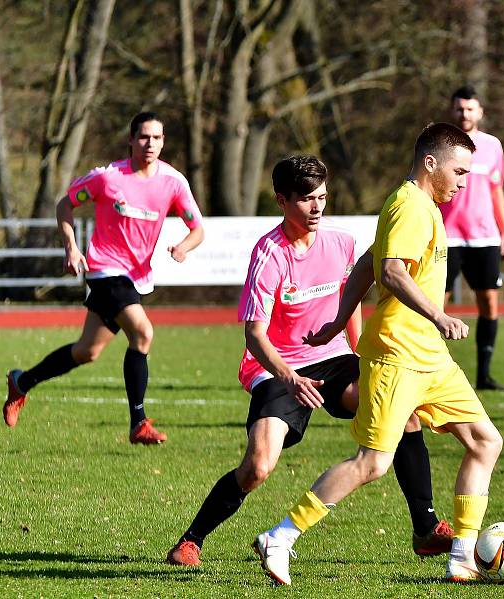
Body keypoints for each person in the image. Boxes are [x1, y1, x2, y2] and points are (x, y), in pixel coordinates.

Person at [165, 156, 452, 567]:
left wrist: (357, 352)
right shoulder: (269, 254)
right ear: (282, 201)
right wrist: (290, 378)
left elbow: (348, 301)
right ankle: (191, 540)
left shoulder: (339, 242)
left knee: (403, 413)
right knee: (258, 467)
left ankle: (425, 529)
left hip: (334, 358)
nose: (317, 208)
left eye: (322, 197)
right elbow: (255, 335)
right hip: (275, 368)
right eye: (306, 200)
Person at [252, 124, 504, 585]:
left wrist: (335, 320)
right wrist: (437, 315)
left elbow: (367, 263)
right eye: (459, 171)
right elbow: (390, 272)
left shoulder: (420, 205)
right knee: (373, 463)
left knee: (486, 442)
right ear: (431, 163)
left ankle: (463, 555)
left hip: (431, 360)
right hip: (398, 356)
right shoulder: (410, 206)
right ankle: (281, 537)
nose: (464, 181)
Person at [3, 112, 204, 444]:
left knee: (87, 352)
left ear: (163, 141)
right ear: (131, 139)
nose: (150, 143)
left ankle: (21, 382)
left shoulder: (173, 182)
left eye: (156, 138)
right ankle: (138, 423)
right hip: (105, 269)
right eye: (143, 137)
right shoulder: (107, 178)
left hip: (136, 276)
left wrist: (183, 247)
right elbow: (64, 206)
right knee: (142, 333)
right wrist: (71, 248)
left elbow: (197, 229)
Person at [440, 85, 504, 391]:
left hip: (484, 237)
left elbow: (496, 190)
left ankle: (484, 375)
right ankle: (433, 374)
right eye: (459, 108)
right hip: (447, 237)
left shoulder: (493, 146)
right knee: (435, 306)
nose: (464, 113)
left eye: (470, 108)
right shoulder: (440, 145)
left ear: (480, 112)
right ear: (452, 111)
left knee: (489, 304)